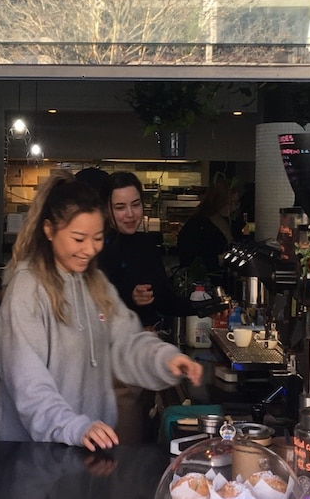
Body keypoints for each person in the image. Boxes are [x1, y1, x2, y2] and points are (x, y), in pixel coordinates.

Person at [0, 170, 203, 451]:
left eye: (97, 238)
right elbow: (28, 384)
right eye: (79, 239)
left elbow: (125, 341)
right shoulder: (27, 289)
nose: (90, 250)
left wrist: (163, 359)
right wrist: (74, 427)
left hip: (85, 447)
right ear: (49, 231)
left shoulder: (93, 282)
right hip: (33, 454)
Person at [98, 171, 198, 444]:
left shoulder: (146, 244)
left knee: (143, 436)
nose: (130, 214)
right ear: (107, 210)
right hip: (117, 356)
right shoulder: (99, 247)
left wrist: (206, 309)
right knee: (125, 445)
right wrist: (130, 298)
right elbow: (93, 304)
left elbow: (163, 298)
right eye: (120, 207)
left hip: (147, 348)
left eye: (135, 204)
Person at [175, 178, 238, 284]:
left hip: (224, 280)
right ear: (218, 201)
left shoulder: (230, 222)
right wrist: (217, 259)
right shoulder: (196, 225)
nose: (234, 208)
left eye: (236, 203)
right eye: (230, 203)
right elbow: (188, 259)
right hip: (203, 283)